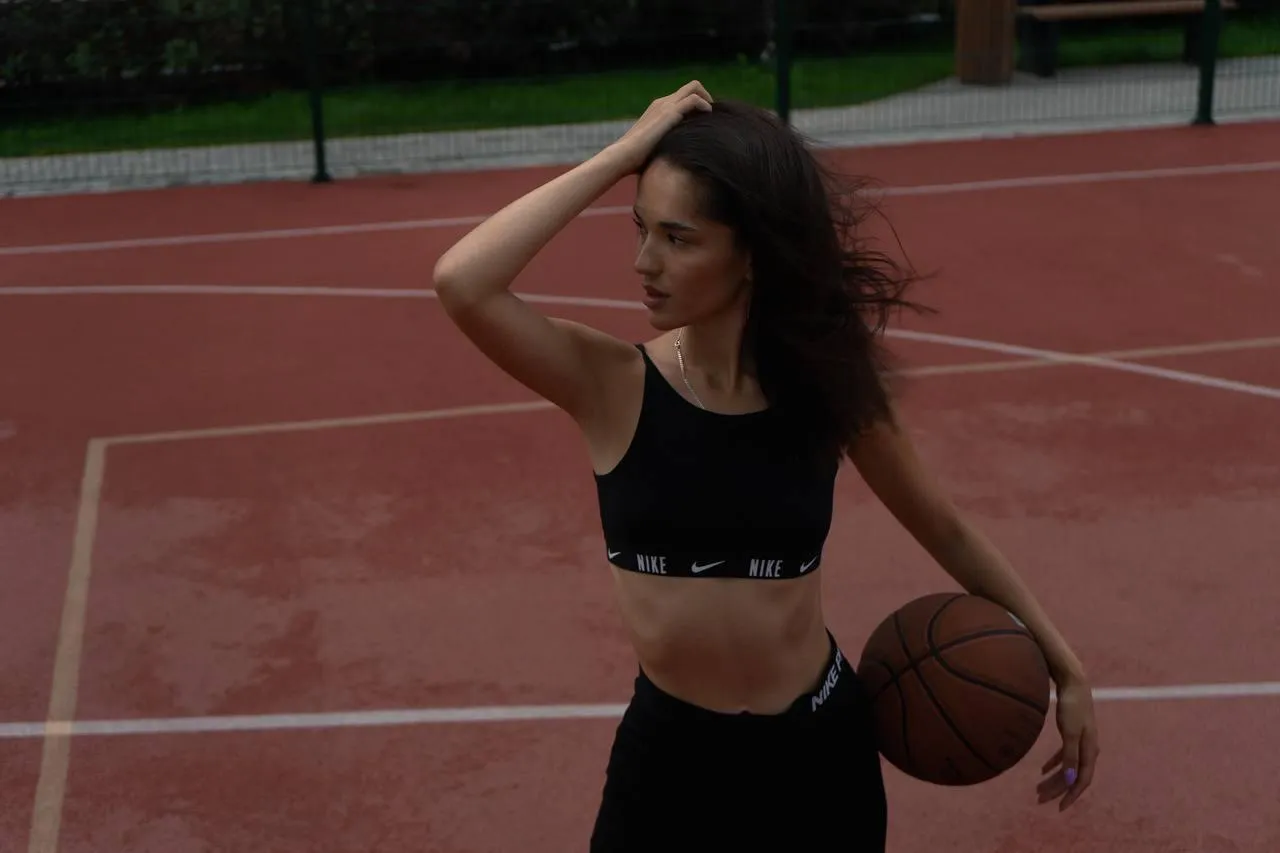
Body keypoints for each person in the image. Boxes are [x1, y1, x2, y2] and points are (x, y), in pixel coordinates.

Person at [433, 81, 1099, 851]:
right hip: (672, 760)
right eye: (641, 229)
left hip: (817, 754)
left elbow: (945, 529)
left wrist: (1066, 666)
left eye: (679, 239)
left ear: (751, 253)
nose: (644, 262)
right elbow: (463, 281)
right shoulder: (611, 384)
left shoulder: (824, 389)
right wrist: (624, 153)